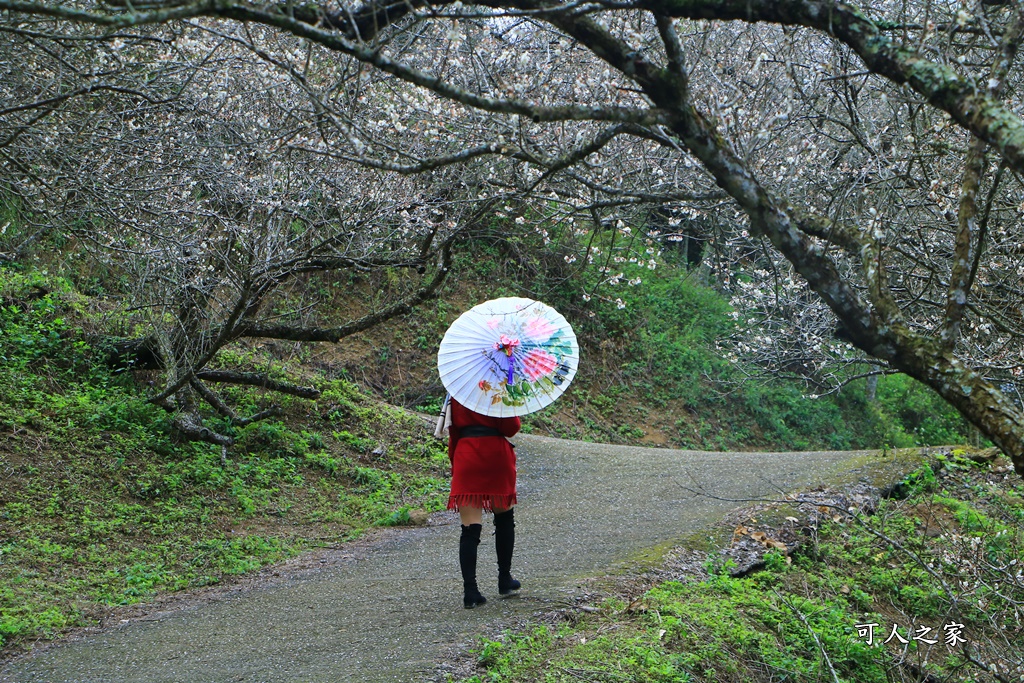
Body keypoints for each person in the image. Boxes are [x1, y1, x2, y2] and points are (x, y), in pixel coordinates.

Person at [445, 397, 521, 609]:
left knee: (470, 528)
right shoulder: (498, 388)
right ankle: (504, 579)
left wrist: (456, 462)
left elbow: (453, 431)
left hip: (466, 454)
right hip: (496, 455)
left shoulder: (458, 390)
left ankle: (471, 591)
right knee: (504, 518)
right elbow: (511, 427)